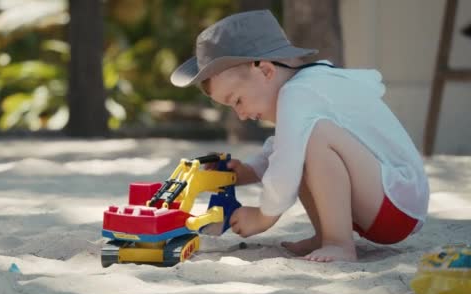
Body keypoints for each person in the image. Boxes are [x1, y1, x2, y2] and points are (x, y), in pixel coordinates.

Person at [170, 10, 430, 262]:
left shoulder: (299, 93)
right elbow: (284, 146)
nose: (240, 114)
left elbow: (284, 169)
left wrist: (263, 216)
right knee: (305, 140)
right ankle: (326, 236)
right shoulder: (305, 88)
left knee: (316, 136)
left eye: (237, 100)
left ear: (266, 71)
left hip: (397, 204)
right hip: (384, 201)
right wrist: (246, 171)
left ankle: (338, 242)